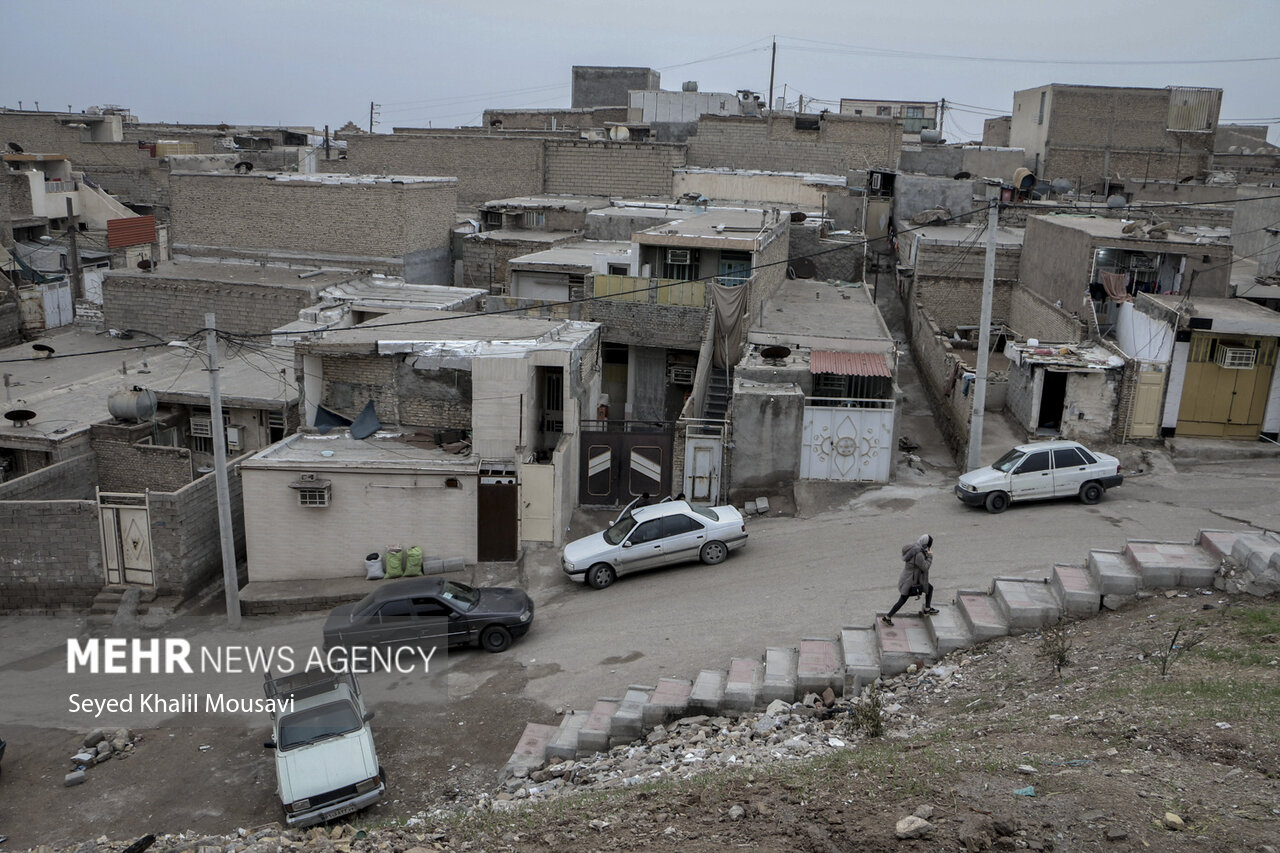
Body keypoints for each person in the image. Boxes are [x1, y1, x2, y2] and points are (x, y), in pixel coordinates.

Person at [881, 534, 938, 626]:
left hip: (908, 577)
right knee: (902, 600)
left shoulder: (915, 548)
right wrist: (930, 556)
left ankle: (927, 609)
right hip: (910, 581)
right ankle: (887, 617)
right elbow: (925, 567)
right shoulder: (918, 554)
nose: (928, 548)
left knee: (929, 588)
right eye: (928, 545)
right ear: (925, 544)